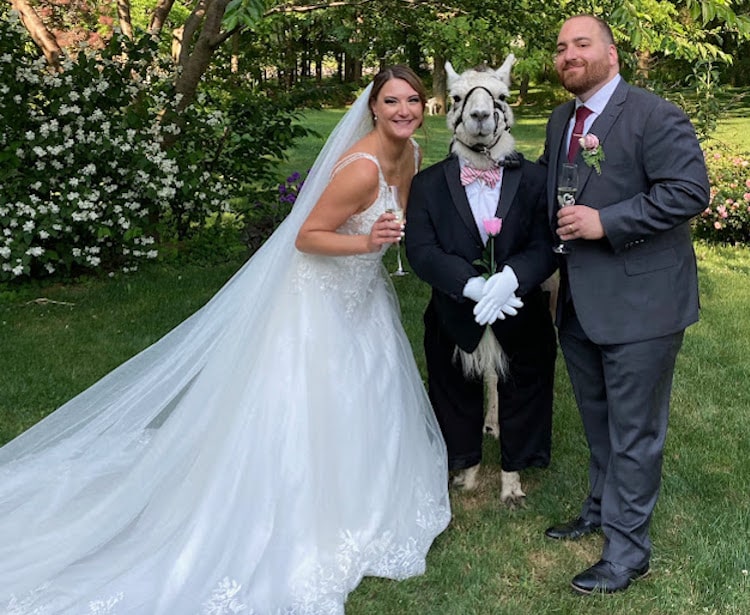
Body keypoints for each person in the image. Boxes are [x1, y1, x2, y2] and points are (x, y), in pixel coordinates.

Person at [0, 66, 450, 614]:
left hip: (363, 301)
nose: (404, 110)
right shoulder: (358, 171)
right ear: (373, 108)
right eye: (392, 101)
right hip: (318, 301)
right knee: (310, 406)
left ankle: (368, 499)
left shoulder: (412, 156)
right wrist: (367, 246)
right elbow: (306, 237)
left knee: (371, 395)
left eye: (413, 101)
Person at [539, 14, 709, 594]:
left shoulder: (653, 115)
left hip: (642, 303)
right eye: (561, 47)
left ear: (612, 55)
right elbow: (554, 186)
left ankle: (628, 551)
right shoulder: (562, 119)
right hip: (578, 301)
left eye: (581, 44)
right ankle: (598, 508)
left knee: (635, 431)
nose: (568, 54)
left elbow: (689, 192)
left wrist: (604, 221)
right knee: (599, 420)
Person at [405, 60, 557, 505]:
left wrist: (513, 277)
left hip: (518, 305)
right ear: (451, 110)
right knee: (453, 380)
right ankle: (464, 460)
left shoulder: (531, 180)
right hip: (456, 308)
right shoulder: (430, 184)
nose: (479, 110)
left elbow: (545, 242)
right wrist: (468, 285)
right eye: (462, 100)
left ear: (504, 109)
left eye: (496, 100)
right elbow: (422, 248)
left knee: (525, 376)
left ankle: (516, 467)